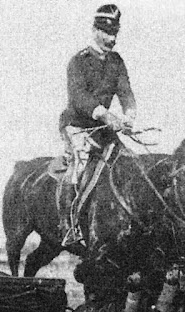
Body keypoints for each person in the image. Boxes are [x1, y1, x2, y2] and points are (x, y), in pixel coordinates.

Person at [58, 4, 137, 242]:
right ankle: (70, 225)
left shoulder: (116, 62)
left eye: (114, 34)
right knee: (80, 166)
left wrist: (130, 114)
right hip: (77, 126)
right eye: (105, 32)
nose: (110, 39)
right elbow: (79, 98)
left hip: (103, 130)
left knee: (129, 162)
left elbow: (125, 91)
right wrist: (106, 115)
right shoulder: (78, 61)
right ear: (94, 30)